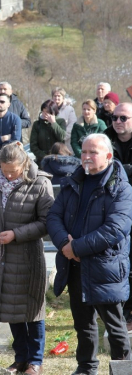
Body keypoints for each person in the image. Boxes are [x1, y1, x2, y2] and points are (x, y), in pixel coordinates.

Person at [47, 134, 132, 375]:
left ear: (108, 155)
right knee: (83, 323)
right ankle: (86, 367)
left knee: (115, 326)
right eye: (83, 152)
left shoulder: (121, 188)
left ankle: (122, 368)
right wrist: (65, 243)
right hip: (74, 266)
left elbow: (116, 229)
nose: (86, 157)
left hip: (105, 267)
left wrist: (76, 248)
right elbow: (53, 216)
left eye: (92, 152)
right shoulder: (73, 183)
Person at [0, 142, 54, 375]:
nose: (8, 175)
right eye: (4, 170)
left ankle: (35, 361)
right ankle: (20, 358)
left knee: (32, 309)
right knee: (9, 307)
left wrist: (16, 235)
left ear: (24, 164)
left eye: (13, 171)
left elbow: (47, 221)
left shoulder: (40, 182)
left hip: (27, 256)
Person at [104, 102, 132, 331]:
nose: (118, 122)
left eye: (123, 118)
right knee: (119, 260)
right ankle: (122, 312)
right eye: (114, 117)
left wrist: (121, 170)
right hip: (114, 208)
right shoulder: (105, 139)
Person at [29, 99, 67, 165]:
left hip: (58, 159)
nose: (45, 114)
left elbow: (62, 137)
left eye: (47, 112)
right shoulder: (37, 124)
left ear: (53, 112)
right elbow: (33, 145)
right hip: (42, 161)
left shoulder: (61, 121)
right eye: (43, 111)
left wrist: (53, 123)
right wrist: (44, 156)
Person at [52, 87, 77, 153]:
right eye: (55, 96)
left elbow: (72, 126)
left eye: (59, 96)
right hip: (51, 145)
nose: (56, 98)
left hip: (65, 145)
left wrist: (62, 137)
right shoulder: (49, 109)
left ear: (63, 97)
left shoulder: (69, 109)